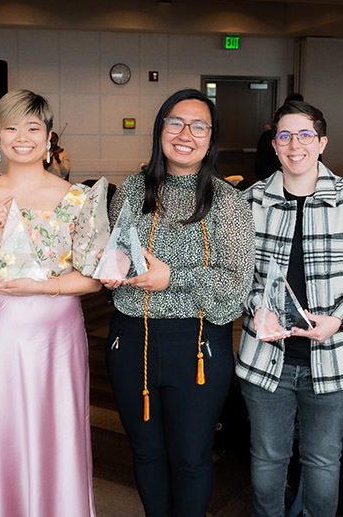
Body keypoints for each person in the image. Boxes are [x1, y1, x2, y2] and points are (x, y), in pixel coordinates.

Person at [0, 89, 108, 517]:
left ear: (49, 136)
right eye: (11, 127)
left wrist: (45, 288)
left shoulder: (78, 199)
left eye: (33, 128)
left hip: (58, 334)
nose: (22, 137)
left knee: (58, 430)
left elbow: (96, 281)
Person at [102, 88, 254, 516]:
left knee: (190, 457)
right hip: (131, 340)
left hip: (198, 346)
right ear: (160, 130)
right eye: (175, 122)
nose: (186, 133)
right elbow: (122, 259)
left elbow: (236, 288)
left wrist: (173, 278)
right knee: (146, 452)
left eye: (199, 125)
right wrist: (111, 267)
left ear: (211, 137)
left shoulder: (227, 200)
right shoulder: (133, 189)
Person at [236, 100, 343, 517]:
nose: (294, 144)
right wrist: (255, 307)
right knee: (267, 461)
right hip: (267, 357)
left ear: (322, 142)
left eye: (304, 135)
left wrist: (338, 319)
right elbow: (237, 276)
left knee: (322, 461)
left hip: (334, 355)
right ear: (274, 144)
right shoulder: (250, 202)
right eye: (284, 135)